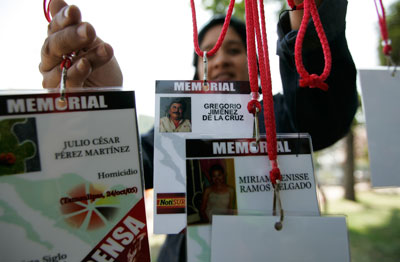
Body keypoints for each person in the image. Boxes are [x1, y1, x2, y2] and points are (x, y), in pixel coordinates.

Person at [40, 0, 358, 261]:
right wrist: (103, 112)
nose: (219, 61)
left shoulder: (282, 114)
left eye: (233, 49)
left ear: (257, 65)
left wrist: (308, 18)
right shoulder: (176, 127)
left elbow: (324, 116)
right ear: (195, 75)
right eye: (207, 54)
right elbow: (116, 175)